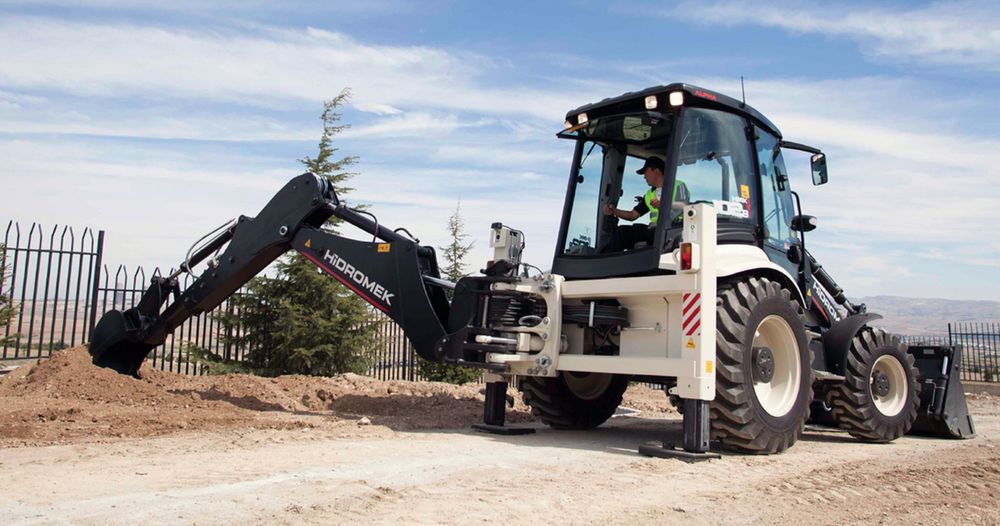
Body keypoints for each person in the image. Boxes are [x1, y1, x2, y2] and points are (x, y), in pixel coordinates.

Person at [602, 156, 687, 250]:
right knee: (623, 232)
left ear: (656, 170)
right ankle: (605, 260)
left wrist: (664, 205)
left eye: (645, 172)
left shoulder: (678, 185)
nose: (644, 177)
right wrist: (614, 211)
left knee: (652, 234)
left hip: (673, 229)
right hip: (653, 231)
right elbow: (632, 215)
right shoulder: (649, 195)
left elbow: (684, 206)